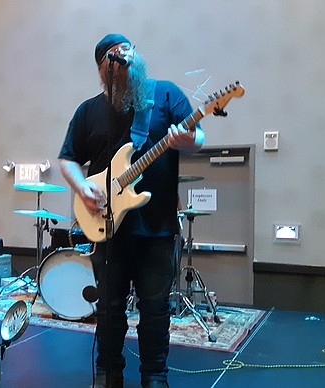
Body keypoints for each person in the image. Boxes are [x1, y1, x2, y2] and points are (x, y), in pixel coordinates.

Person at [58, 34, 204, 388]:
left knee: (155, 311)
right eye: (114, 55)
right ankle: (109, 374)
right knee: (109, 311)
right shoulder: (88, 110)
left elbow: (198, 138)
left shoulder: (166, 94)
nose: (125, 58)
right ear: (101, 68)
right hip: (107, 230)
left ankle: (155, 376)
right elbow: (67, 158)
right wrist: (82, 187)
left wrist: (189, 140)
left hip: (156, 229)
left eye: (129, 51)